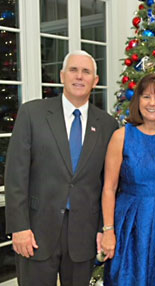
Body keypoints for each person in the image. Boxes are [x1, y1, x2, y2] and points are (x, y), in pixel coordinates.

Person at [5, 50, 119, 286]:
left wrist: (103, 228)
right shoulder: (32, 113)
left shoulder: (108, 125)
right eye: (73, 70)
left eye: (86, 72)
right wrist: (19, 227)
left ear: (95, 81)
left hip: (83, 235)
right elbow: (16, 175)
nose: (79, 76)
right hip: (35, 232)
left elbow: (109, 184)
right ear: (62, 75)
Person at [101, 73, 155, 285]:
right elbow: (109, 188)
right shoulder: (121, 137)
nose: (152, 103)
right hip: (130, 224)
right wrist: (108, 231)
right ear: (137, 101)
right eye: (146, 97)